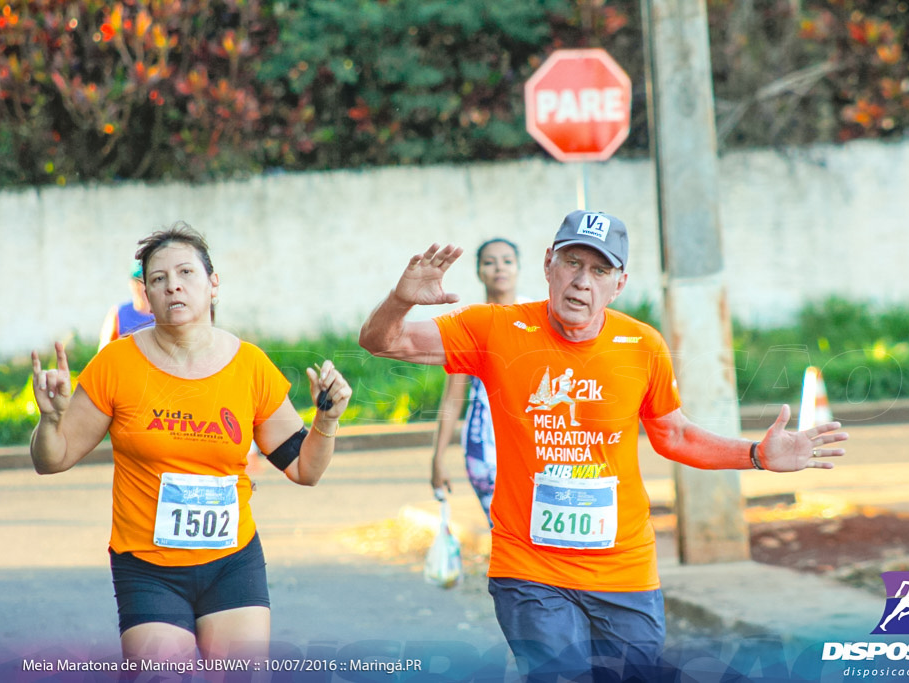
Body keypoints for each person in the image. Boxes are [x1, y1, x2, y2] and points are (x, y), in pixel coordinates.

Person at [358, 210, 849, 682]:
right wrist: (401, 301)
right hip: (530, 565)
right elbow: (383, 342)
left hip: (623, 567)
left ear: (619, 284)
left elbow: (673, 435)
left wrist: (756, 456)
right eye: (572, 262)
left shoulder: (642, 346)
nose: (581, 281)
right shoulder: (496, 328)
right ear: (548, 262)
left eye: (599, 269)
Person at [30, 222, 352, 665]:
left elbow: (305, 469)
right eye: (158, 279)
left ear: (213, 284)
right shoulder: (116, 365)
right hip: (147, 567)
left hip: (232, 562)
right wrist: (50, 420)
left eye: (186, 274)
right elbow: (53, 459)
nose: (173, 287)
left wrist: (327, 420)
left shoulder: (250, 366)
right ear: (145, 294)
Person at [430, 238, 526, 522]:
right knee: (503, 529)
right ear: (479, 272)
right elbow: (453, 397)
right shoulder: (470, 324)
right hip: (485, 448)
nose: (499, 268)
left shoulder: (538, 319)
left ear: (518, 268)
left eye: (507, 261)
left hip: (533, 443)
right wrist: (438, 458)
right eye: (489, 262)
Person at [98, 259, 155, 349]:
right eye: (137, 282)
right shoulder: (119, 313)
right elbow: (104, 350)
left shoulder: (163, 313)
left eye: (145, 282)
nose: (141, 287)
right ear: (131, 284)